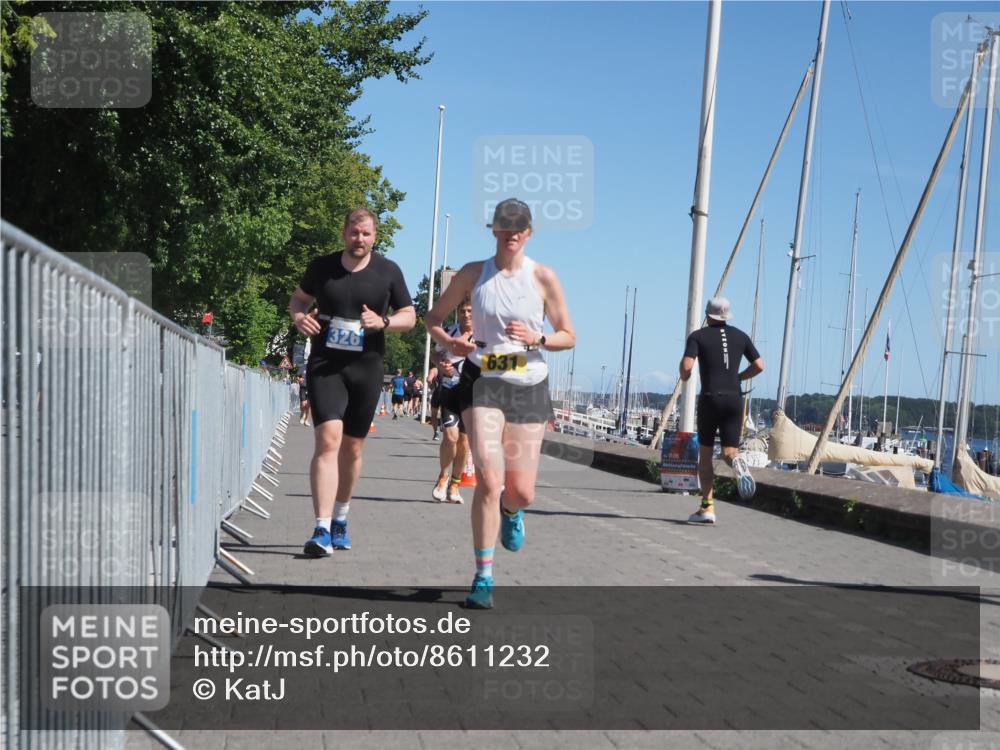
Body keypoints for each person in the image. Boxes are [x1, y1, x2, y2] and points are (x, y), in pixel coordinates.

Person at [426, 198, 575, 609]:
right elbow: (433, 318)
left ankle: (513, 513)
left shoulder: (543, 277)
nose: (511, 234)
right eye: (503, 227)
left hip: (529, 385)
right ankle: (484, 577)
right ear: (493, 230)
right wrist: (450, 342)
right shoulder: (474, 274)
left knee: (521, 491)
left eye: (518, 228)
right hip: (483, 381)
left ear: (528, 232)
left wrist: (538, 339)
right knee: (490, 481)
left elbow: (568, 335)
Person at [289, 208, 415, 556]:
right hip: (326, 365)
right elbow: (299, 298)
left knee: (353, 448)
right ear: (344, 233)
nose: (359, 239)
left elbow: (410, 316)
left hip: (367, 367)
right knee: (328, 440)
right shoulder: (322, 266)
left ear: (375, 236)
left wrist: (385, 322)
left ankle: (341, 517)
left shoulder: (388, 271)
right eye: (354, 233)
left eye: (366, 234)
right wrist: (299, 316)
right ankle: (321, 528)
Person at [678, 297, 764, 524]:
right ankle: (736, 461)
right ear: (727, 316)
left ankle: (707, 508)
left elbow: (687, 367)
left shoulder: (698, 336)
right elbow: (759, 365)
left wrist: (684, 376)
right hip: (735, 399)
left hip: (710, 399)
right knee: (729, 452)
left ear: (707, 315)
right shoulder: (741, 335)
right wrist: (739, 377)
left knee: (705, 455)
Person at [431, 297, 476, 504]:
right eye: (462, 311)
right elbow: (435, 354)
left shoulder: (485, 335)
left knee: (464, 443)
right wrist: (441, 365)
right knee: (450, 437)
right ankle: (442, 476)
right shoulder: (449, 331)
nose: (466, 315)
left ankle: (455, 485)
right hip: (450, 390)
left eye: (469, 311)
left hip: (472, 395)